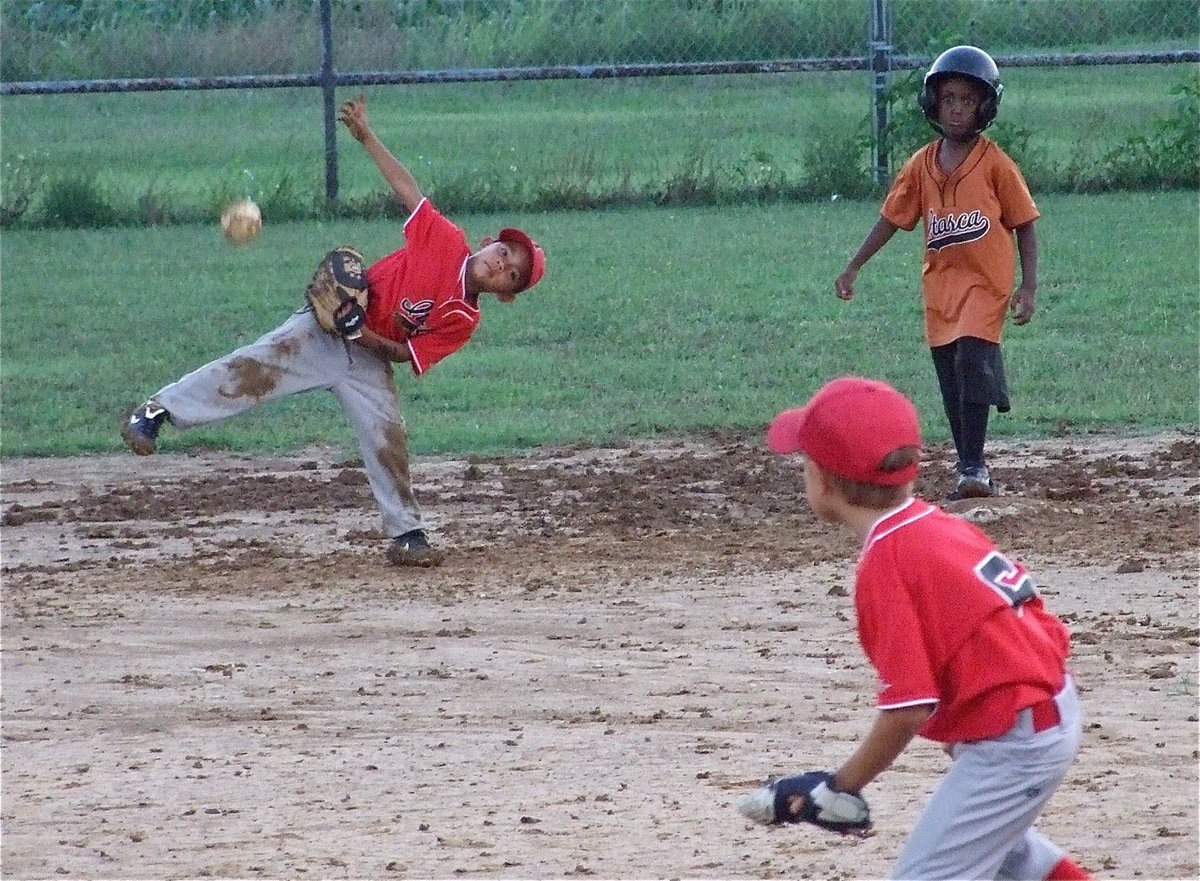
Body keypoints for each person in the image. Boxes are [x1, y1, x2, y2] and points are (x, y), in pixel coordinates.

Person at [121, 93, 546, 568]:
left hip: (369, 357)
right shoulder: (445, 240)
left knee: (388, 435)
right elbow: (407, 188)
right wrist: (366, 136)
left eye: (512, 275)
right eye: (505, 253)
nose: (502, 265)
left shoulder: (464, 321)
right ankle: (156, 411)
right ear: (489, 243)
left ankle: (407, 534)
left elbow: (405, 354)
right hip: (325, 330)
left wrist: (361, 334)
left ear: (506, 294)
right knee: (251, 369)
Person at [738, 375, 1091, 880]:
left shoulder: (887, 564)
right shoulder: (935, 524)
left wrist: (840, 785)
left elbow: (908, 709)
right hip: (1038, 710)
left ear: (824, 482)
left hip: (1015, 741)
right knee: (1008, 856)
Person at [834, 46, 1039, 500]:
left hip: (986, 286)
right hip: (941, 289)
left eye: (968, 99)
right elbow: (892, 218)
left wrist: (1029, 285)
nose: (957, 108)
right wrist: (854, 265)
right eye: (948, 98)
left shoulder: (995, 163)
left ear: (985, 106)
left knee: (971, 362)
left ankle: (974, 467)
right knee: (951, 378)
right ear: (932, 103)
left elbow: (1024, 222)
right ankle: (969, 463)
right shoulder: (921, 165)